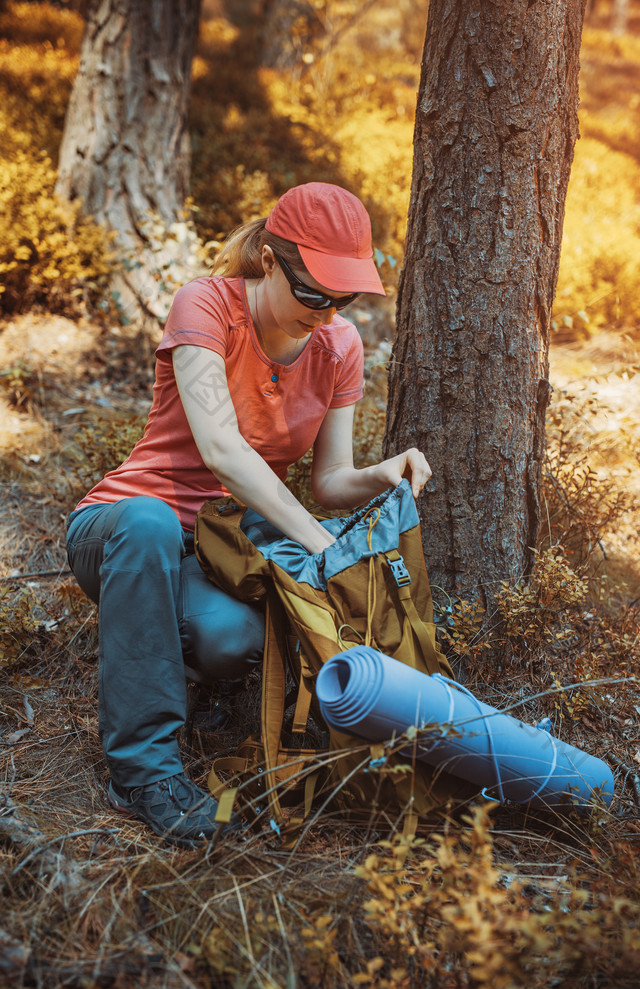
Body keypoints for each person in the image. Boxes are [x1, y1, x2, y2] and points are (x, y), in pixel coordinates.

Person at [66, 182, 432, 847]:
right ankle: (142, 769)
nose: (326, 314)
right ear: (269, 258)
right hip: (121, 529)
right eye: (313, 293)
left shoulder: (338, 347)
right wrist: (322, 546)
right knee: (149, 525)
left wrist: (379, 474)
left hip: (221, 552)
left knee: (233, 640)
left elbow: (328, 480)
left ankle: (160, 657)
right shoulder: (206, 305)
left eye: (342, 299)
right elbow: (222, 450)